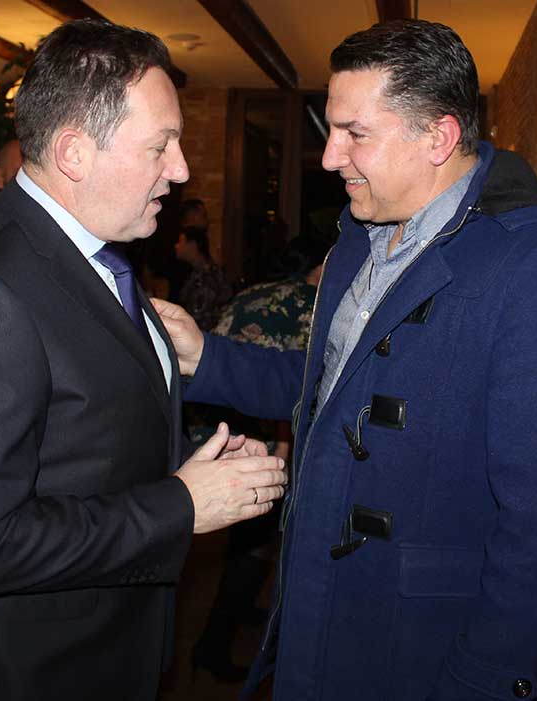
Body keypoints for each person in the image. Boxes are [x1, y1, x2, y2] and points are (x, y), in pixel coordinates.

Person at [153, 19, 537, 701]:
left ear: (438, 137)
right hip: (322, 611)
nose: (331, 157)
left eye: (354, 133)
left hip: (420, 647)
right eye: (332, 130)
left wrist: (480, 679)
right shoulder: (362, 237)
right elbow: (334, 390)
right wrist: (205, 356)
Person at [0, 19, 286, 701]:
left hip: (119, 649)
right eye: (161, 146)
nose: (180, 170)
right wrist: (181, 505)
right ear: (74, 153)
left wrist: (196, 464)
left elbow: (81, 437)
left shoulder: (100, 253)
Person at [191, 234, 331, 683]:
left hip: (210, 425)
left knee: (243, 540)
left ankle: (230, 620)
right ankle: (214, 644)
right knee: (256, 543)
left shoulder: (255, 291)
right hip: (256, 439)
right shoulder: (312, 305)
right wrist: (285, 452)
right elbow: (299, 389)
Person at [175, 224, 232, 330]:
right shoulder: (197, 272)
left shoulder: (206, 275)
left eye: (180, 241)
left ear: (192, 245)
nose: (176, 246)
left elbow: (198, 316)